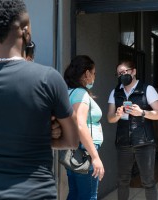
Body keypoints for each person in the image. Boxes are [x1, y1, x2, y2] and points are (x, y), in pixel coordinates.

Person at [0, 0, 79, 199]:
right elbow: (72, 140)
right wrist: (46, 136)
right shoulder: (48, 79)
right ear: (25, 31)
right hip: (36, 193)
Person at [107, 60, 158, 200]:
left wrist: (142, 113)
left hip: (144, 141)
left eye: (124, 72)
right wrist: (117, 115)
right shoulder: (115, 92)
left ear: (133, 71)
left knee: (148, 181)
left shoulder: (147, 89)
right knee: (123, 180)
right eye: (119, 74)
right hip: (123, 142)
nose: (122, 76)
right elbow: (110, 118)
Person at [63, 55, 105, 200]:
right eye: (94, 73)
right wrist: (95, 157)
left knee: (75, 194)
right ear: (87, 73)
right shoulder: (80, 94)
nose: (94, 77)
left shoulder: (69, 92)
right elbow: (80, 125)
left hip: (74, 151)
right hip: (85, 152)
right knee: (88, 196)